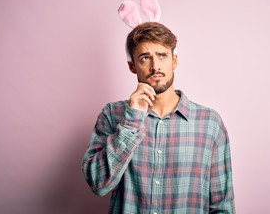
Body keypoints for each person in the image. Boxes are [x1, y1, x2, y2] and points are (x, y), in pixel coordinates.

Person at [82, 21, 235, 213]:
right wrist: (132, 121)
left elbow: (222, 206)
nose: (155, 67)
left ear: (174, 61)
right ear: (132, 66)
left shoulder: (210, 123)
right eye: (145, 58)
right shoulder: (112, 115)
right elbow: (98, 184)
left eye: (162, 56)